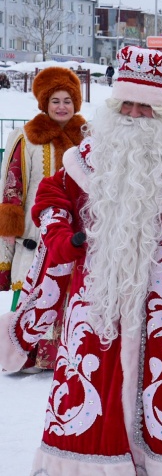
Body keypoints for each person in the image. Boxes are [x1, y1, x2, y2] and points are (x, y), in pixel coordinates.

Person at [0, 45, 162, 474]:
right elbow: (52, 196)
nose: (134, 115)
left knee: (161, 410)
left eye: (146, 107)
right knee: (84, 406)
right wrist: (59, 233)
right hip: (96, 310)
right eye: (126, 105)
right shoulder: (89, 156)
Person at [0, 66, 86, 370]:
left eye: (67, 101)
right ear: (44, 104)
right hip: (35, 232)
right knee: (33, 286)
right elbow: (13, 184)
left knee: (69, 290)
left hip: (74, 231)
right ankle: (22, 353)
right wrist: (9, 228)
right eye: (55, 101)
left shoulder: (87, 139)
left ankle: (62, 354)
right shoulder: (28, 138)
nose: (62, 107)